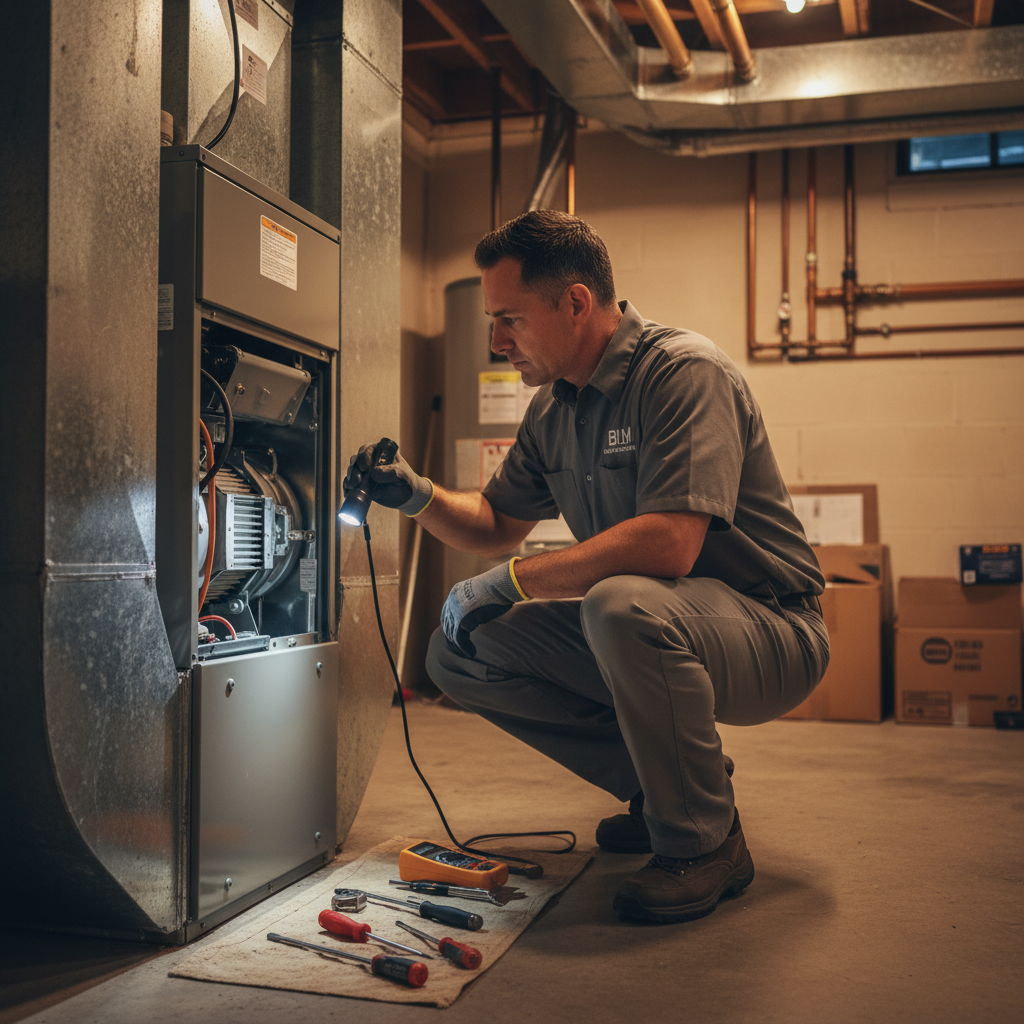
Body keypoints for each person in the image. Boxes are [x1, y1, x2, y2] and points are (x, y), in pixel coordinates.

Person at [344, 210, 829, 924]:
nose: (494, 340)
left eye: (509, 318)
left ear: (574, 302)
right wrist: (414, 494)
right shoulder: (554, 409)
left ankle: (705, 843)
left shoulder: (682, 373)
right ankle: (671, 789)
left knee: (620, 604)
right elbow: (497, 524)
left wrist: (512, 582)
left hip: (772, 630)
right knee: (456, 650)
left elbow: (670, 545)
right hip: (654, 622)